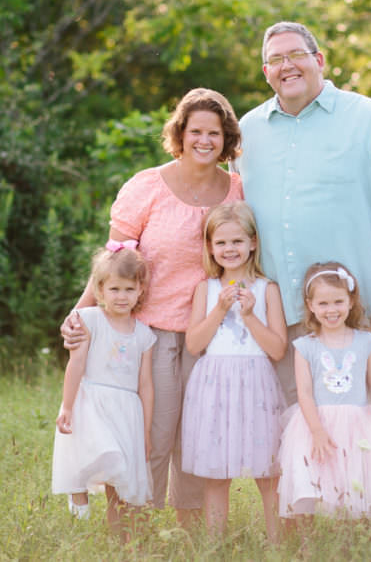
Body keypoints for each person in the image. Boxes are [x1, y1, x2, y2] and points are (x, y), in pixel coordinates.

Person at [61, 88, 244, 525]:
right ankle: (131, 528)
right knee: (151, 434)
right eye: (195, 131)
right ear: (179, 134)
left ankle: (191, 531)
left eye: (214, 133)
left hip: (214, 332)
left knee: (199, 435)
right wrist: (80, 313)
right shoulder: (146, 187)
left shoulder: (238, 189)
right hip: (150, 333)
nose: (204, 140)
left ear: (227, 138)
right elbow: (114, 260)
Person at [235, 21, 371, 408]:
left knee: (360, 433)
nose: (286, 65)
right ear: (265, 72)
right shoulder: (246, 132)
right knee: (286, 440)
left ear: (319, 60)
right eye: (275, 59)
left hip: (350, 316)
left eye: (296, 55)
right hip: (276, 319)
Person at [181, 201, 288, 540]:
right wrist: (219, 310)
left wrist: (250, 315)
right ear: (211, 248)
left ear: (253, 243)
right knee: (216, 474)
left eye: (238, 241)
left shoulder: (267, 289)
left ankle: (276, 545)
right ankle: (215, 545)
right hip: (214, 385)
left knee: (269, 473)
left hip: (256, 384)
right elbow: (194, 345)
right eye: (222, 243)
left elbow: (277, 349)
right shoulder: (206, 289)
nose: (230, 249)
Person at [278, 262, 371, 520]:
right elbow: (304, 393)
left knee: (358, 487)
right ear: (311, 306)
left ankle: (356, 544)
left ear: (350, 302)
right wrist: (316, 431)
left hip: (357, 424)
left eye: (338, 302)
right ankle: (311, 547)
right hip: (317, 424)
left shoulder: (365, 341)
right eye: (323, 304)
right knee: (314, 482)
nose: (331, 310)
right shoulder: (305, 346)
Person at [51, 242, 156, 542]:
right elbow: (77, 364)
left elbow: (145, 386)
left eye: (128, 289)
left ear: (140, 291)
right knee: (87, 460)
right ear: (99, 289)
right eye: (114, 289)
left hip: (126, 411)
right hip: (91, 404)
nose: (121, 297)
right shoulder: (90, 320)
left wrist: (146, 432)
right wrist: (67, 406)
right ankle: (78, 525)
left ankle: (117, 539)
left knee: (117, 479)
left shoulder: (144, 335)